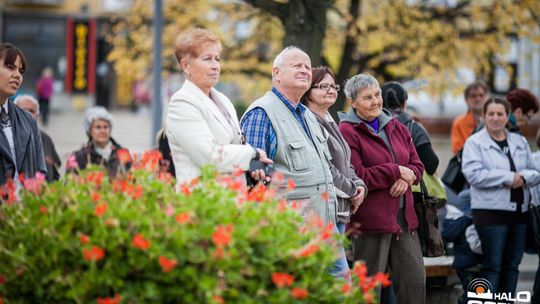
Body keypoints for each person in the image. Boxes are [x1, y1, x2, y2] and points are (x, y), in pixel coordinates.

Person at [241, 47, 360, 279]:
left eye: (307, 66)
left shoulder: (308, 115)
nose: (305, 70)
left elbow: (326, 169)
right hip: (290, 231)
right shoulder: (262, 113)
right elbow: (252, 177)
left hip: (326, 227)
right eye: (297, 66)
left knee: (342, 287)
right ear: (276, 73)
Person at [339, 73, 425, 303]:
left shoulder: (396, 126)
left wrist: (406, 178)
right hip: (371, 222)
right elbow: (359, 175)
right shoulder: (347, 131)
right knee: (368, 292)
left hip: (405, 219)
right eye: (367, 97)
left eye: (377, 95)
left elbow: (417, 166)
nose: (376, 101)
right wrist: (395, 171)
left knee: (414, 283)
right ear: (353, 102)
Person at [165, 28, 271, 186]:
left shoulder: (223, 100)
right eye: (207, 59)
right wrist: (252, 153)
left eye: (217, 59)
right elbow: (209, 156)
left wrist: (253, 165)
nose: (215, 66)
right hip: (203, 202)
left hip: (233, 200)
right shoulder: (182, 102)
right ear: (186, 66)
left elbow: (236, 144)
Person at [461, 97, 540, 294]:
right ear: (484, 116)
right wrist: (508, 178)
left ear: (507, 117)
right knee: (492, 266)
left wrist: (523, 177)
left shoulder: (519, 141)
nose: (495, 118)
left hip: (519, 214)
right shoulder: (474, 143)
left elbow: (535, 171)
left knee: (512, 267)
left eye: (500, 114)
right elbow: (473, 174)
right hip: (490, 214)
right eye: (491, 114)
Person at [300, 66, 367, 234]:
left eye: (333, 86)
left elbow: (345, 161)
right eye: (324, 86)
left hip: (341, 210)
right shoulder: (310, 122)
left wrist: (359, 185)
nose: (331, 90)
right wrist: (352, 191)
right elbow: (325, 167)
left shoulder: (330, 120)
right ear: (308, 91)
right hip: (324, 211)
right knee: (339, 262)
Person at [0, 43, 46, 187]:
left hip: (23, 207)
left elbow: (40, 171)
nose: (17, 75)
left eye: (21, 71)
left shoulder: (28, 120)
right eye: (10, 67)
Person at [381, 81, 439, 176]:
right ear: (404, 104)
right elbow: (431, 166)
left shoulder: (368, 126)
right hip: (409, 186)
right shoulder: (414, 127)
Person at [69, 106, 130, 178]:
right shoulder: (80, 156)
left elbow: (132, 179)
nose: (102, 131)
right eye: (98, 127)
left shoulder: (122, 153)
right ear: (89, 131)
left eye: (106, 127)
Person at [14, 95, 61, 182]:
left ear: (37, 115)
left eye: (31, 111)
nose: (28, 114)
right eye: (23, 110)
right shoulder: (7, 137)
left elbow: (56, 165)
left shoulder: (45, 138)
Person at [450, 81, 489, 154]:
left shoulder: (496, 119)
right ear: (466, 100)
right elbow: (457, 152)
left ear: (487, 98)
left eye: (481, 95)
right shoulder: (459, 123)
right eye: (473, 96)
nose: (478, 99)